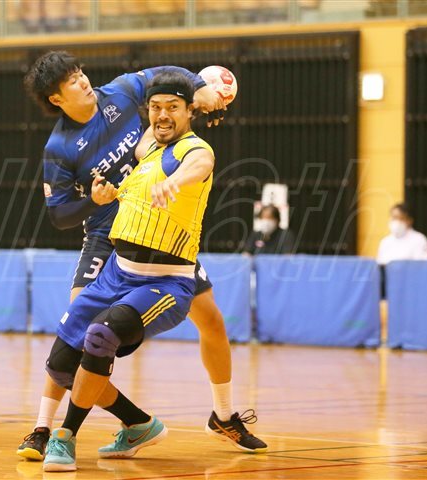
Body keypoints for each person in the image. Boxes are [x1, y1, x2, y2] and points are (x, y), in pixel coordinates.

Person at [19, 51, 265, 460]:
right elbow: (59, 215)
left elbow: (166, 78)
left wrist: (199, 89)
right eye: (72, 80)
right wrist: (94, 201)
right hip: (107, 238)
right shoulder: (59, 147)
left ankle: (223, 415)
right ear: (56, 98)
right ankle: (45, 428)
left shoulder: (119, 92)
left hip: (159, 233)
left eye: (80, 72)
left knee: (212, 321)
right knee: (76, 333)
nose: (83, 81)